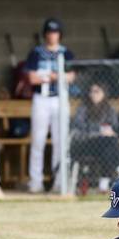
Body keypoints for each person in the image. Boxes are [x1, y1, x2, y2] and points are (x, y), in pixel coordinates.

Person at [26, 18, 76, 193]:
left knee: (60, 141)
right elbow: (32, 78)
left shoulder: (66, 53)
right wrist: (55, 75)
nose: (52, 35)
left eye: (55, 32)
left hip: (59, 97)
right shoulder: (36, 52)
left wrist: (50, 76)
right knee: (38, 141)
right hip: (41, 98)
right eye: (49, 32)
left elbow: (71, 77)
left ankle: (58, 182)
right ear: (45, 34)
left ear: (59, 34)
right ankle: (35, 182)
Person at [70, 83, 119, 193]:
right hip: (85, 144)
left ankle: (103, 186)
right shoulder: (83, 108)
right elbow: (79, 129)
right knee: (109, 143)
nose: (93, 94)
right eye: (91, 91)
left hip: (105, 146)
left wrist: (111, 131)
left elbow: (115, 127)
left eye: (97, 91)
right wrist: (99, 131)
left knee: (108, 147)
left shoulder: (109, 109)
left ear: (104, 94)